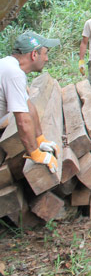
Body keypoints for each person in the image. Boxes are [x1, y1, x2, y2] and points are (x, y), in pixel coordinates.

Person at [0, 31, 61, 174]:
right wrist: (35, 153)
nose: (46, 59)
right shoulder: (13, 74)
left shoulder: (10, 67)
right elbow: (22, 120)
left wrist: (40, 139)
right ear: (34, 54)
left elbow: (29, 107)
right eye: (45, 53)